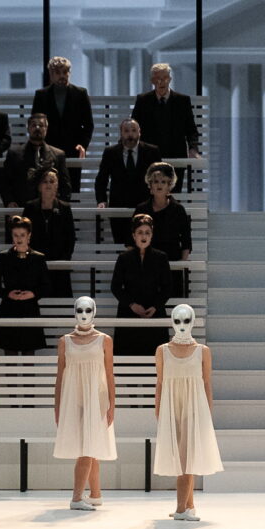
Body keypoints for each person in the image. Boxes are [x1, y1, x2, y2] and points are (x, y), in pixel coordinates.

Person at [153, 304, 222, 521]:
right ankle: (187, 506)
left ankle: (182, 508)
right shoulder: (162, 350)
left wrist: (207, 413)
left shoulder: (203, 351)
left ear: (192, 321)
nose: (182, 325)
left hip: (194, 408)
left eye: (185, 320)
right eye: (177, 320)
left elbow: (207, 383)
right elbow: (160, 382)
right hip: (171, 408)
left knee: (186, 458)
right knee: (182, 458)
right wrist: (159, 410)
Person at [53, 297, 117, 511]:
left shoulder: (104, 340)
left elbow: (109, 373)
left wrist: (112, 405)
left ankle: (78, 497)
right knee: (88, 446)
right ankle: (94, 495)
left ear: (94, 311)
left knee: (89, 447)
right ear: (74, 311)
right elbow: (60, 376)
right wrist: (57, 407)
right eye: (79, 310)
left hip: (96, 397)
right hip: (73, 398)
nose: (83, 314)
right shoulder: (65, 341)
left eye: (88, 310)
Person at [111, 214, 182, 357]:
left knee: (155, 355)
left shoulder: (161, 257)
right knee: (127, 355)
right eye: (140, 232)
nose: (144, 236)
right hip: (128, 312)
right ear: (134, 235)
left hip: (154, 312)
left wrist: (155, 306)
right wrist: (132, 305)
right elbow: (115, 287)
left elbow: (167, 287)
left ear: (152, 235)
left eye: (147, 233)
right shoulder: (124, 258)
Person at [0, 216, 52, 356]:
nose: (19, 238)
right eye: (15, 235)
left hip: (30, 308)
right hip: (9, 308)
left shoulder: (38, 258)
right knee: (9, 354)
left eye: (22, 235)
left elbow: (46, 285)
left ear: (29, 235)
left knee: (29, 355)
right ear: (11, 236)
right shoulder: (3, 257)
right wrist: (7, 294)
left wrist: (32, 294)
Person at [32, 56, 95, 191]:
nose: (62, 76)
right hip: (48, 149)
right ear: (51, 74)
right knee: (48, 188)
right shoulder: (41, 95)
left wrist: (83, 145)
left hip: (73, 148)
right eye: (58, 72)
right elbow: (35, 122)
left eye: (65, 72)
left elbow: (88, 124)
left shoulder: (80, 93)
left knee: (72, 189)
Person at [131, 62, 201, 181]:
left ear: (170, 79)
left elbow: (191, 129)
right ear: (152, 81)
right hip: (149, 157)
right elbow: (134, 128)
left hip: (176, 155)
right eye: (158, 78)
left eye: (165, 78)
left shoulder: (182, 101)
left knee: (174, 191)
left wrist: (193, 149)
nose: (161, 82)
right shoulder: (143, 101)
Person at [96, 118, 163, 240]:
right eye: (126, 131)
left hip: (145, 206)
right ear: (121, 133)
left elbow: (160, 178)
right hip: (118, 206)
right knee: (120, 243)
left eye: (133, 130)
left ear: (139, 132)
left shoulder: (152, 151)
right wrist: (102, 200)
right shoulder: (110, 152)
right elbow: (101, 179)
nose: (130, 134)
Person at [1, 113, 71, 207]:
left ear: (46, 129)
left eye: (41, 125)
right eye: (34, 125)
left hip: (50, 210)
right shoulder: (14, 154)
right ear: (28, 128)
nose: (37, 128)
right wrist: (9, 202)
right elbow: (4, 183)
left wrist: (60, 206)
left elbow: (65, 186)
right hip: (21, 209)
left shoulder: (58, 155)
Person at [131, 162, 195, 261]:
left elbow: (186, 242)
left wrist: (181, 264)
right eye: (156, 181)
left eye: (163, 182)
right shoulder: (141, 209)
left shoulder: (178, 210)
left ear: (169, 185)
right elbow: (131, 241)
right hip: (147, 262)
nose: (159, 185)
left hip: (172, 262)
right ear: (150, 185)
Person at [22, 167, 78, 262]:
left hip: (60, 262)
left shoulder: (65, 208)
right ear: (39, 186)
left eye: (52, 182)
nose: (48, 184)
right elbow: (24, 234)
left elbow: (70, 238)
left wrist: (64, 260)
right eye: (45, 182)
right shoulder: (30, 208)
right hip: (34, 261)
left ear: (57, 185)